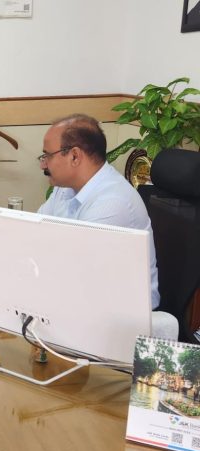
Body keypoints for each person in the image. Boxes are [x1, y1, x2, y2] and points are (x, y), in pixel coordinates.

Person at [37, 113, 159, 309]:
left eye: (47, 156)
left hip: (123, 312)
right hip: (83, 296)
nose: (43, 164)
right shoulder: (64, 188)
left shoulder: (112, 203)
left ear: (75, 156)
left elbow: (70, 269)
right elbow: (36, 234)